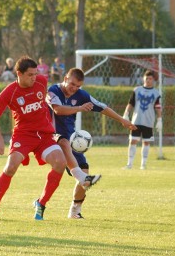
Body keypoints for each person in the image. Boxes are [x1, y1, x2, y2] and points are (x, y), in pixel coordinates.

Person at [0, 56, 100, 222]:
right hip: (23, 135)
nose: (34, 77)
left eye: (36, 74)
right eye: (30, 74)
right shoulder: (10, 92)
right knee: (10, 167)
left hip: (44, 135)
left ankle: (41, 203)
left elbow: (52, 103)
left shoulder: (42, 82)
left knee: (60, 162)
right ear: (19, 74)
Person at [47, 68, 136, 218]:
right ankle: (78, 178)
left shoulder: (81, 95)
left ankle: (75, 211)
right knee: (63, 142)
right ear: (65, 78)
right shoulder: (53, 90)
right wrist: (80, 108)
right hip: (52, 135)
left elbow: (102, 107)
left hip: (71, 137)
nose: (74, 88)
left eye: (77, 86)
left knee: (85, 172)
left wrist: (122, 120)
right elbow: (58, 110)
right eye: (72, 84)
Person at [122, 70, 162, 169]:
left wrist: (159, 120)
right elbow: (131, 103)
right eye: (147, 78)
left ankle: (143, 164)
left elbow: (158, 107)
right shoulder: (137, 90)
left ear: (153, 80)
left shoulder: (156, 93)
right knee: (132, 141)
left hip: (149, 121)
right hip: (136, 120)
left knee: (146, 142)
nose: (148, 80)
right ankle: (129, 164)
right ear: (143, 78)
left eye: (150, 79)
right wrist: (126, 114)